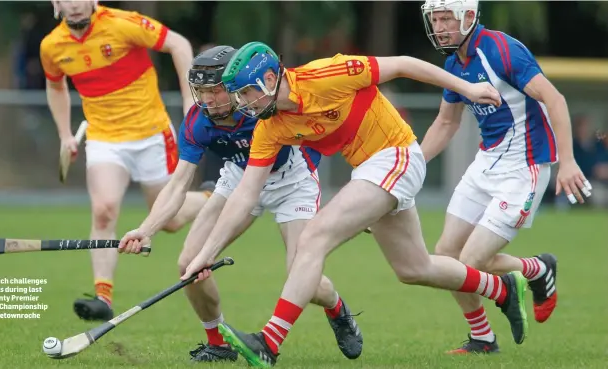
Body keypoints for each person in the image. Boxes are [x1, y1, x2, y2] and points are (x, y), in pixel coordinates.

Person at [179, 41, 530, 368]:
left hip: (397, 154)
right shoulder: (269, 127)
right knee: (414, 269)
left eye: (247, 93)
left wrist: (467, 89)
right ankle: (500, 288)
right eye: (238, 97)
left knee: (314, 237)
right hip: (368, 168)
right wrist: (206, 253)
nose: (243, 104)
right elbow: (245, 194)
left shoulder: (327, 75)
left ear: (270, 78)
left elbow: (405, 64)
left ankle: (268, 342)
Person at [118, 45, 363, 363]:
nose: (207, 100)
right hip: (237, 179)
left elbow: (334, 131)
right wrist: (146, 229)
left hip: (291, 182)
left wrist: (359, 202)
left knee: (301, 275)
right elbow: (178, 184)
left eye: (215, 91)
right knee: (189, 263)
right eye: (202, 92)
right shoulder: (198, 122)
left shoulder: (269, 106)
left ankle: (337, 309)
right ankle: (217, 342)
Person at [419, 0, 593, 354]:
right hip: (486, 163)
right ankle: (483, 338)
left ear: (468, 17)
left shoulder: (502, 51)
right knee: (446, 257)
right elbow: (446, 122)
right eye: (434, 20)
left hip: (523, 168)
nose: (438, 27)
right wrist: (412, 168)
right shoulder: (454, 62)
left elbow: (554, 99)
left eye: (445, 19)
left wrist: (569, 160)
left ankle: (536, 269)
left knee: (470, 263)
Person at [39, 0, 213, 322]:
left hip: (151, 136)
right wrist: (65, 133)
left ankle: (210, 198)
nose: (75, 5)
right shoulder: (52, 46)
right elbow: (55, 86)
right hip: (105, 138)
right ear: (56, 4)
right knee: (104, 210)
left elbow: (178, 44)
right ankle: (103, 296)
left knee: (170, 221)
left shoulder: (123, 24)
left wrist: (191, 99)